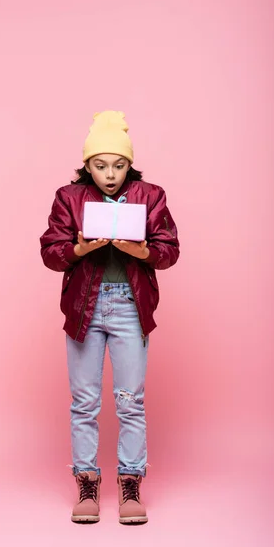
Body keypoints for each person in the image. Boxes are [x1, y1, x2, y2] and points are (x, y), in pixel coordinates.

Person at [40, 110, 180, 524]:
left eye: (118, 165)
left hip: (130, 307)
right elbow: (50, 251)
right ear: (87, 165)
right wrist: (80, 249)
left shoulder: (150, 195)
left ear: (129, 164)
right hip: (85, 306)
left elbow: (170, 249)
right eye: (100, 166)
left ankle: (130, 482)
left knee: (130, 402)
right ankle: (87, 482)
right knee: (84, 403)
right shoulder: (69, 197)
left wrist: (144, 252)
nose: (110, 174)